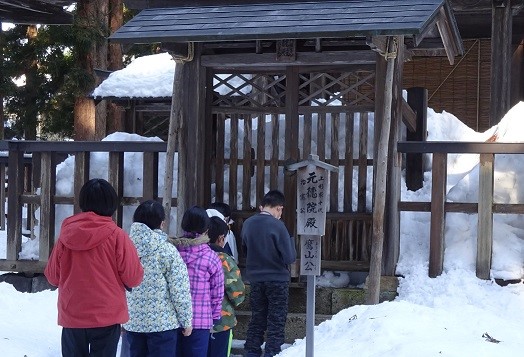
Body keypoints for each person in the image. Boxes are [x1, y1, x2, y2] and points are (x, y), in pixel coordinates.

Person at [44, 178, 144, 357]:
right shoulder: (117, 236)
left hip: (72, 315)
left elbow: (52, 277)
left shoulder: (65, 236)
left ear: (82, 203)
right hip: (107, 315)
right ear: (111, 204)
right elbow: (133, 277)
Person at [124, 200, 193, 357]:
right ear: (162, 224)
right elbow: (179, 289)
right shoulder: (167, 250)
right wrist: (186, 320)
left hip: (133, 322)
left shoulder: (124, 248)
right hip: (163, 324)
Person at [241, 190, 296, 357]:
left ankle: (251, 352)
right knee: (276, 321)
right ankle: (272, 353)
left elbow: (245, 249)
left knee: (257, 318)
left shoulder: (248, 224)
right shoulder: (278, 226)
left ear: (262, 206)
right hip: (277, 280)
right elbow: (290, 257)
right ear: (279, 208)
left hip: (256, 279)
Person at [169, 206, 224, 357]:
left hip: (172, 320)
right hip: (201, 321)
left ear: (183, 225)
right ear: (206, 229)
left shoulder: (172, 251)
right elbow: (217, 293)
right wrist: (215, 317)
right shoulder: (211, 257)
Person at [207, 216, 245, 357]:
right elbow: (237, 293)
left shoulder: (192, 255)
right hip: (222, 321)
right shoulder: (224, 259)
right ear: (221, 238)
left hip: (194, 321)